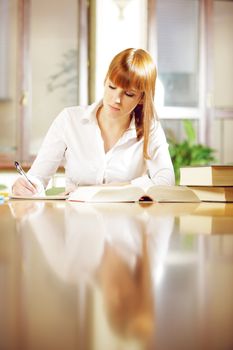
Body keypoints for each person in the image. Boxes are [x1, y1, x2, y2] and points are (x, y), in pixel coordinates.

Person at [12, 48, 175, 196]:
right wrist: (26, 186)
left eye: (129, 94)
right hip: (77, 224)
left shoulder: (150, 128)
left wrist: (97, 190)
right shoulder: (69, 119)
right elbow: (38, 178)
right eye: (112, 87)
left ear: (141, 98)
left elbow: (166, 183)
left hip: (126, 225)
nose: (116, 99)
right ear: (105, 81)